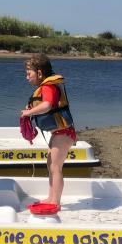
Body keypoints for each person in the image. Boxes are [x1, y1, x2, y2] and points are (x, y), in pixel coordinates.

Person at [21, 53, 76, 210]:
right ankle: (51, 197)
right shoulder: (46, 86)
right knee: (50, 164)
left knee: (55, 166)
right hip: (60, 132)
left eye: (29, 73)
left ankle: (55, 202)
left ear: (39, 73)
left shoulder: (48, 86)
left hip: (64, 132)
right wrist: (31, 109)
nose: (27, 77)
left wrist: (28, 113)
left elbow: (47, 105)